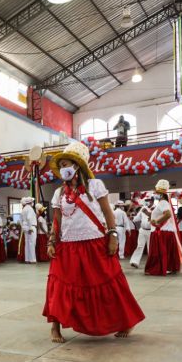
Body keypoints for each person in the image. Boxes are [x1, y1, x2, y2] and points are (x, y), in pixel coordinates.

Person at [44, 141, 144, 343]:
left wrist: (113, 236)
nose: (64, 169)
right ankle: (55, 327)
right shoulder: (59, 193)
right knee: (60, 284)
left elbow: (108, 212)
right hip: (68, 246)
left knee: (109, 282)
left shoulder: (95, 185)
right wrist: (52, 241)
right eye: (61, 165)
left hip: (96, 243)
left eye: (67, 164)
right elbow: (57, 219)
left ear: (78, 166)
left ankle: (127, 321)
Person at [145, 180, 182, 275]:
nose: (155, 194)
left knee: (160, 252)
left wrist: (157, 221)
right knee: (164, 251)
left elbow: (168, 214)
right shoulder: (162, 203)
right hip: (163, 231)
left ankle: (163, 267)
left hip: (161, 231)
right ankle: (168, 267)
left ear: (161, 194)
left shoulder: (163, 202)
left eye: (157, 193)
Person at [129, 202, 152, 268]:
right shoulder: (142, 209)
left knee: (150, 247)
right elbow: (136, 219)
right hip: (142, 230)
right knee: (140, 246)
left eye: (150, 201)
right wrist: (133, 217)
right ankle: (134, 261)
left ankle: (151, 263)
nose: (148, 204)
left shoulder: (154, 209)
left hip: (150, 230)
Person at [20, 197, 37, 264]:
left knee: (27, 244)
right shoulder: (30, 209)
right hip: (31, 227)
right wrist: (30, 228)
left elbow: (21, 220)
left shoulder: (24, 209)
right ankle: (32, 259)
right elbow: (29, 218)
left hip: (25, 227)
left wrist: (23, 227)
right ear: (30, 202)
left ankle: (27, 259)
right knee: (32, 243)